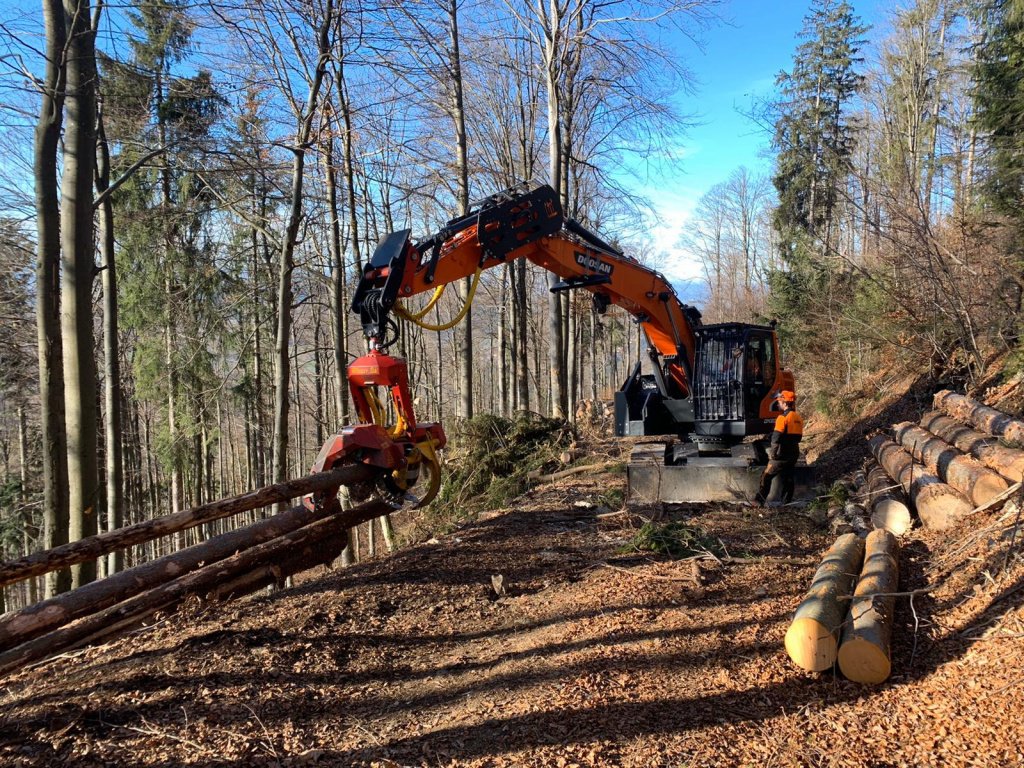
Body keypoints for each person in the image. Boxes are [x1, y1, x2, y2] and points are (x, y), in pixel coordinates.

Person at [755, 390, 803, 505]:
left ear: (785, 403)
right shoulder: (798, 418)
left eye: (780, 402)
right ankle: (786, 502)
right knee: (788, 478)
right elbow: (798, 437)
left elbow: (776, 438)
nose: (778, 404)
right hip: (794, 453)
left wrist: (773, 453)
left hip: (781, 454)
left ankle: (759, 501)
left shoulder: (782, 418)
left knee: (766, 476)